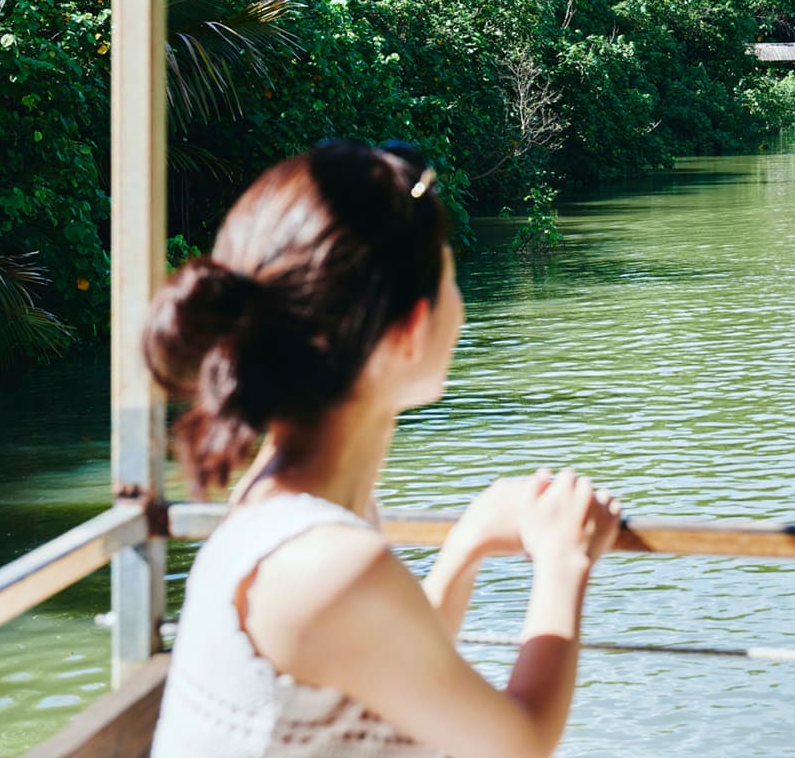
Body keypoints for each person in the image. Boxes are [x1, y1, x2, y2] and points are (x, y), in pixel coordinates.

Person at [146, 140, 623, 758]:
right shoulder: (324, 562)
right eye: (453, 281)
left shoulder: (281, 499)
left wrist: (471, 540)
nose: (463, 310)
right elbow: (519, 744)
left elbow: (383, 659)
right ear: (407, 331)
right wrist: (565, 560)